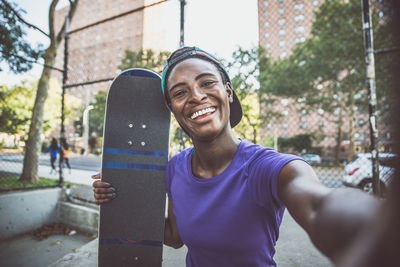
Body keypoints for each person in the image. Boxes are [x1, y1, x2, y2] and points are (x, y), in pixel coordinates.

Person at [92, 47, 379, 266]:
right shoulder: (174, 170)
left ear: (227, 92)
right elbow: (175, 238)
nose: (196, 96)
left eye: (207, 83)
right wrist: (123, 201)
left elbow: (319, 205)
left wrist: (376, 229)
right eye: (180, 92)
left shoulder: (268, 168)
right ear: (172, 108)